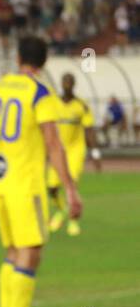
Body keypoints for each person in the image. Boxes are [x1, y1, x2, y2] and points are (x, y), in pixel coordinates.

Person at [0, 36, 81, 307]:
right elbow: (53, 143)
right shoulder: (40, 93)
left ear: (17, 57)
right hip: (26, 185)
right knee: (31, 251)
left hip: (0, 182)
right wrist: (70, 189)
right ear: (44, 63)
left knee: (12, 252)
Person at [47, 72, 102, 237]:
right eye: (65, 82)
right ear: (61, 84)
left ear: (74, 85)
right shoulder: (53, 103)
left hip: (74, 150)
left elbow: (89, 130)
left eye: (70, 82)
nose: (67, 85)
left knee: (72, 187)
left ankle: (73, 221)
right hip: (57, 150)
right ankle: (62, 209)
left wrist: (95, 153)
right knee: (51, 188)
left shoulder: (81, 106)